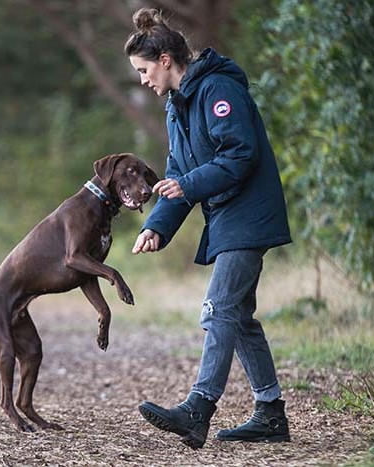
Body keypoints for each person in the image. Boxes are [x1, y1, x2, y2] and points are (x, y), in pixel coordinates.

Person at [124, 8, 293, 449]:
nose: (143, 80)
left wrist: (186, 185)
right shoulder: (176, 108)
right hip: (226, 216)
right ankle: (271, 414)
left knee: (218, 309)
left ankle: (198, 409)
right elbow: (178, 172)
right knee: (238, 316)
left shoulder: (218, 88)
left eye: (143, 70)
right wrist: (159, 226)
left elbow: (240, 154)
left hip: (249, 213)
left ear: (165, 59)